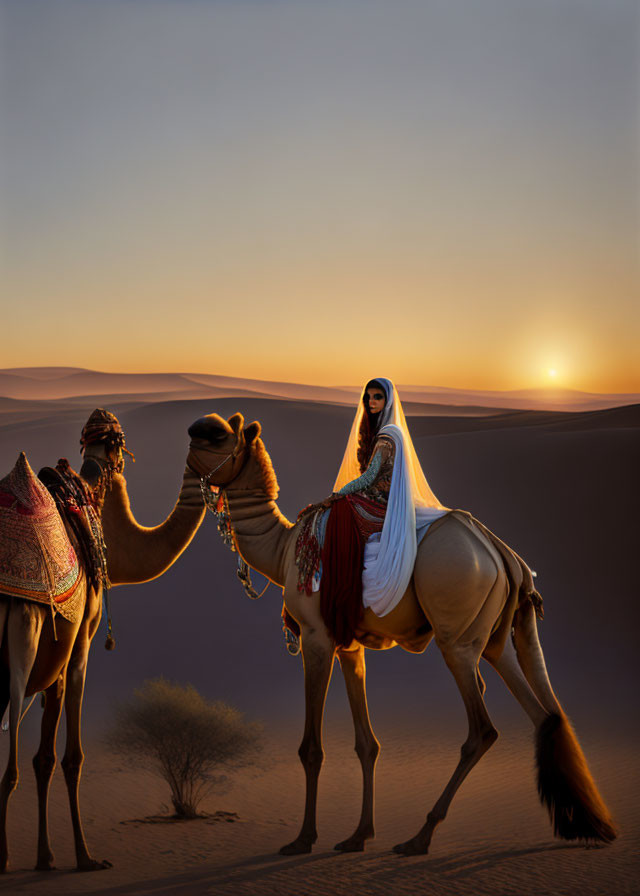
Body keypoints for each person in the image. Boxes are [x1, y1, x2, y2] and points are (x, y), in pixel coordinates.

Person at [299, 378, 448, 645]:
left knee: (338, 517)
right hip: (375, 497)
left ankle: (340, 591)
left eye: (377, 397)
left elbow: (369, 477)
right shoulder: (388, 431)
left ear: (388, 400)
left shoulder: (387, 435)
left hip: (379, 503)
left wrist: (337, 495)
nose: (371, 402)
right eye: (368, 397)